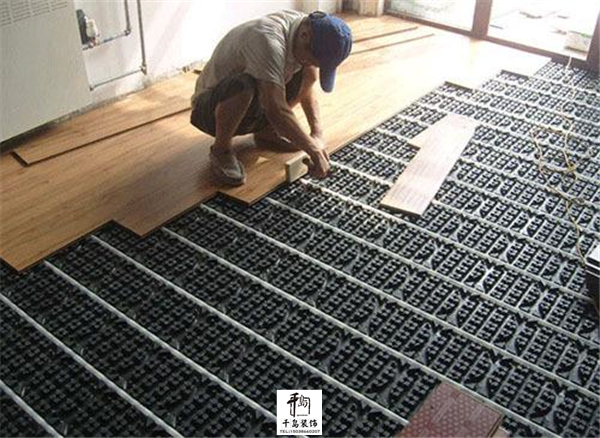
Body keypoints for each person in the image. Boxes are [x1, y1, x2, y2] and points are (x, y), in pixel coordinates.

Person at [190, 10, 352, 186]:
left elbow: (308, 85)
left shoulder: (305, 28)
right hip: (208, 110)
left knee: (309, 72)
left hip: (255, 101)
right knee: (243, 85)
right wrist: (313, 151)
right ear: (304, 36)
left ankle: (266, 131)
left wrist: (317, 134)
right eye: (313, 59)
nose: (312, 64)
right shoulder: (268, 42)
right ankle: (221, 150)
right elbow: (275, 109)